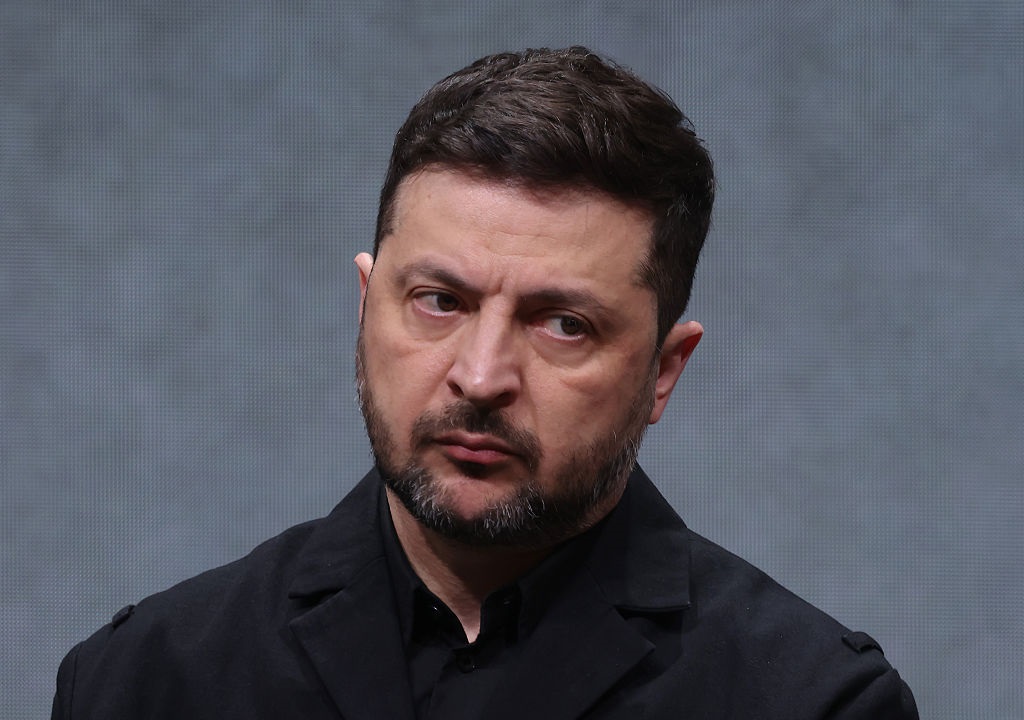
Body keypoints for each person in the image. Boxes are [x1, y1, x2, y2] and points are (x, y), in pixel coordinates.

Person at [51, 46, 918, 719]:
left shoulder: (810, 701)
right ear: (366, 306)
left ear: (664, 372)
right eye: (440, 301)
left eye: (562, 323)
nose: (480, 376)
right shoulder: (143, 681)